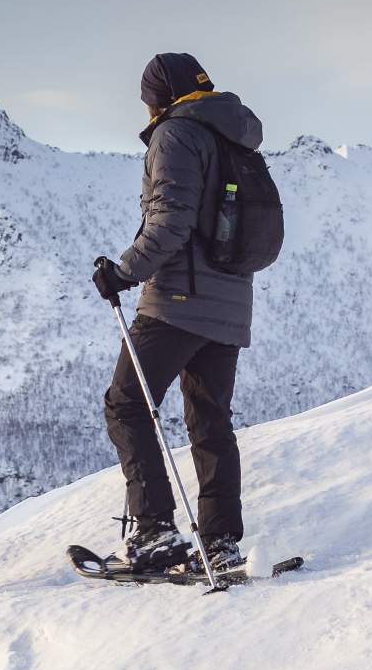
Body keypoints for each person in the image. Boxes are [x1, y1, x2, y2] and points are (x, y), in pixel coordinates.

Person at [91, 53, 262, 573]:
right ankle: (220, 542)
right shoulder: (233, 133)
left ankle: (154, 530)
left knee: (126, 403)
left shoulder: (176, 134)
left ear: (158, 96)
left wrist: (124, 271)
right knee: (210, 421)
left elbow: (170, 220)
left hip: (177, 300)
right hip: (231, 305)